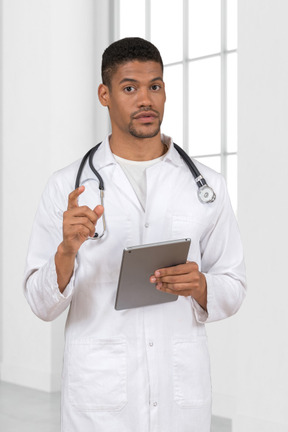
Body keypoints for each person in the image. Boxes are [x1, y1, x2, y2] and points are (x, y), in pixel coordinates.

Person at [24, 37, 246, 432]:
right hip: (99, 397)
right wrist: (66, 252)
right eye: (130, 88)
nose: (146, 100)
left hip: (180, 393)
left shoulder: (207, 186)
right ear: (104, 94)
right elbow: (42, 306)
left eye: (155, 86)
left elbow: (234, 285)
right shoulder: (67, 187)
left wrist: (200, 286)